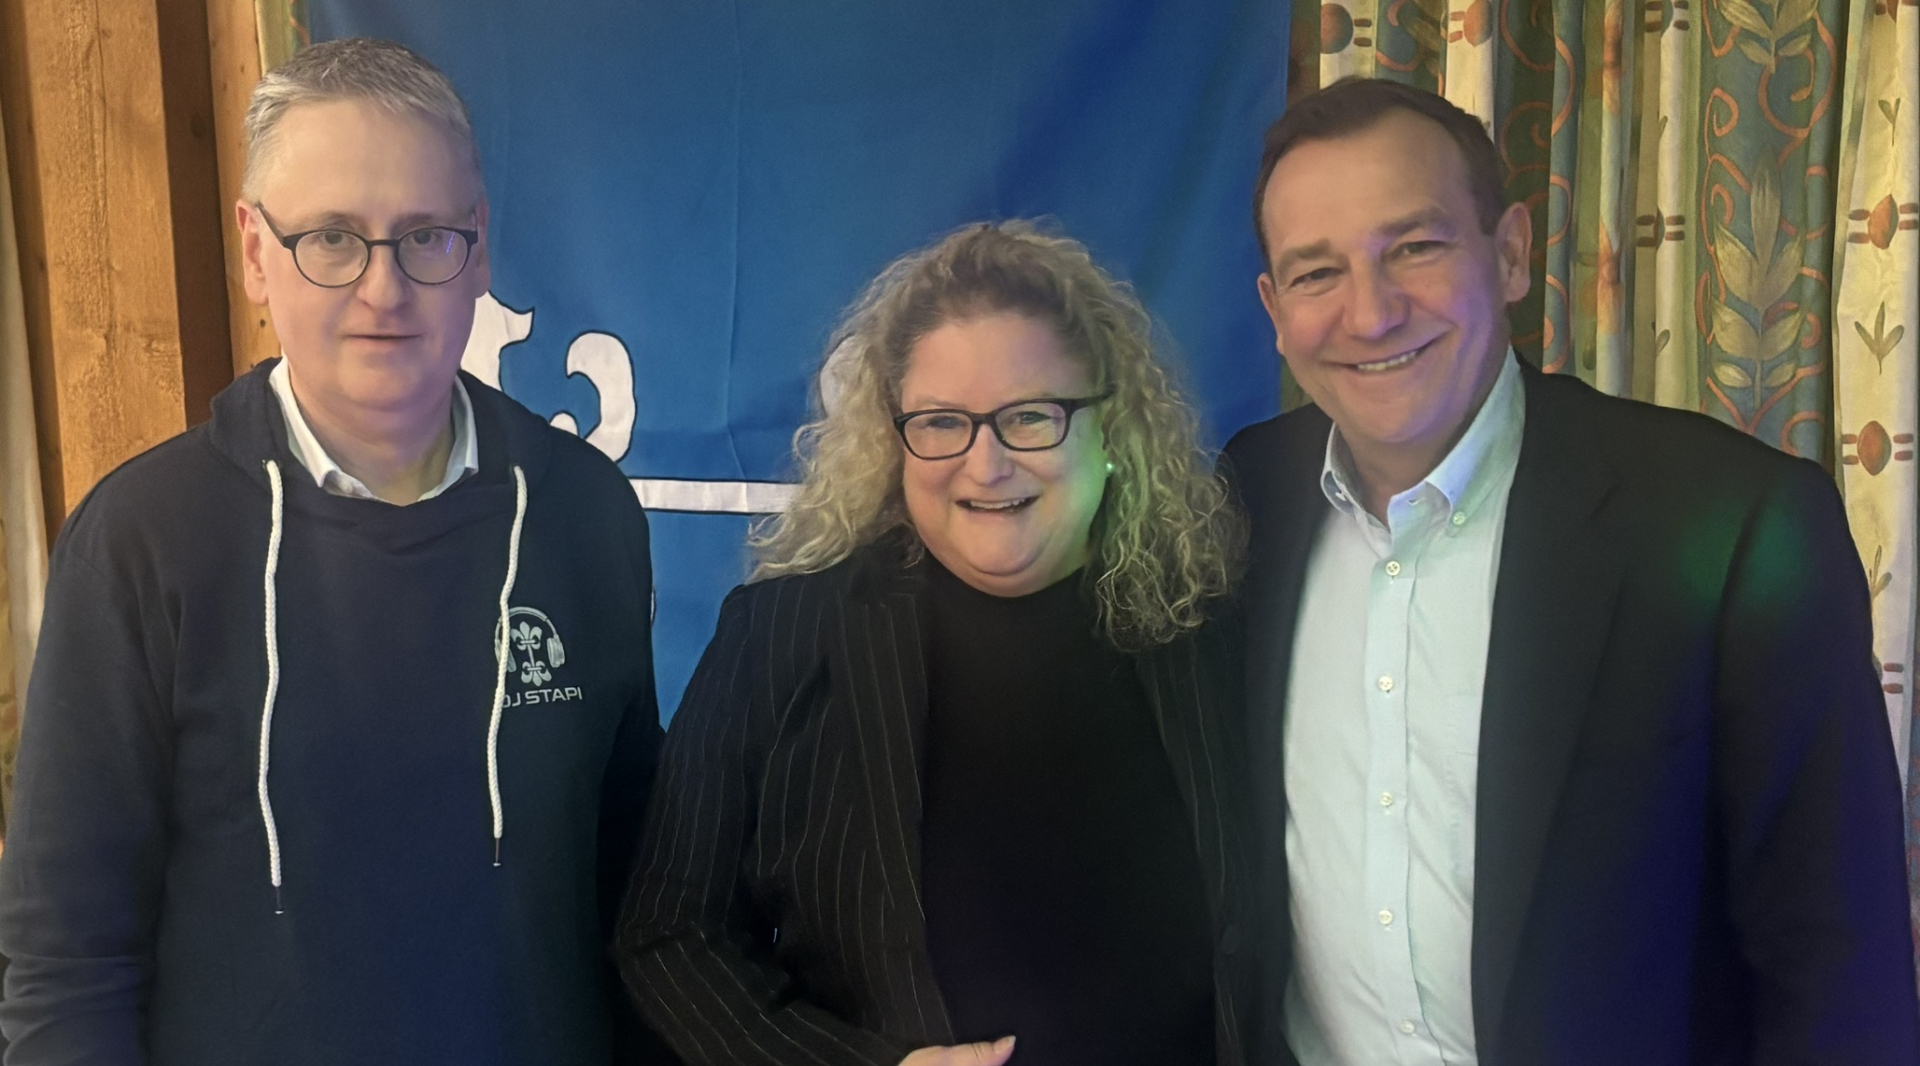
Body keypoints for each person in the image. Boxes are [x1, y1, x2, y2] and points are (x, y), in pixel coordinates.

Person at [1226, 75, 1919, 1066]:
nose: (1369, 313)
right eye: (1315, 272)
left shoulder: (1735, 522)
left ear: (1510, 252)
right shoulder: (1246, 501)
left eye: (1415, 247)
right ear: (1274, 309)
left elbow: (1838, 967)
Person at [0, 38, 665, 1066]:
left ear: (480, 248)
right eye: (332, 239)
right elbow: (65, 965)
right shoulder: (140, 544)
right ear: (255, 253)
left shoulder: (587, 513)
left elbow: (639, 895)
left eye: (425, 237)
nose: (383, 288)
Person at [618, 221, 1254, 1066]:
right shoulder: (780, 637)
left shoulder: (1207, 625)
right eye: (943, 422)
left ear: (1113, 424)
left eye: (1030, 416)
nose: (985, 464)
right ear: (896, 439)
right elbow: (667, 936)